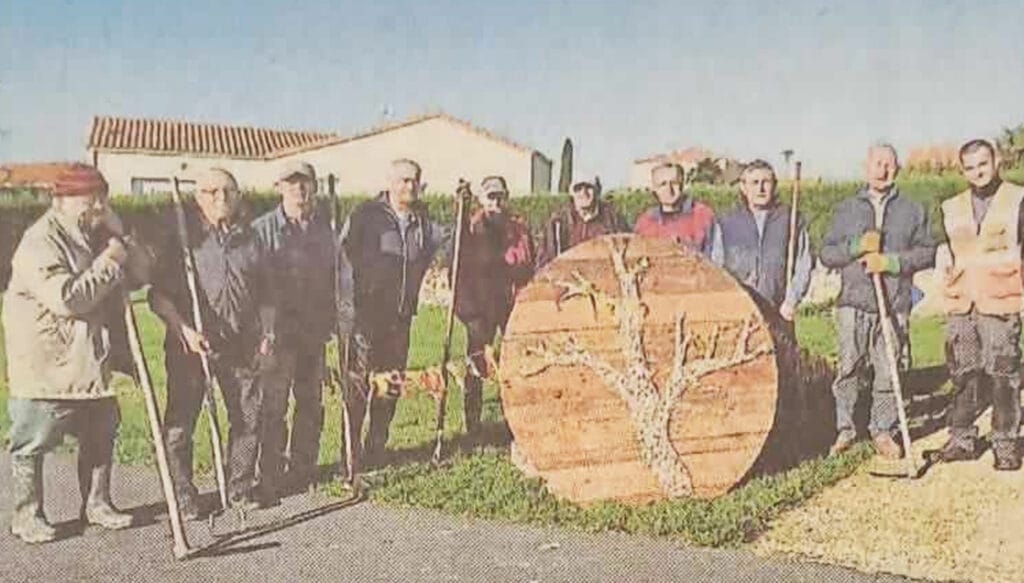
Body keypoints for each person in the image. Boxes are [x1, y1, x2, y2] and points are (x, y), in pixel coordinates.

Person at [4, 164, 150, 543]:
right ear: (61, 200)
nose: (98, 207)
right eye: (90, 199)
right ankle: (27, 515)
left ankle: (98, 503)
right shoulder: (40, 241)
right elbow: (69, 299)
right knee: (33, 439)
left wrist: (123, 239)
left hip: (89, 359)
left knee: (102, 431)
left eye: (102, 198)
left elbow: (141, 276)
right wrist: (112, 259)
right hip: (47, 363)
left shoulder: (97, 233)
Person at [148, 167, 276, 516]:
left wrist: (267, 333)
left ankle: (239, 488)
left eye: (228, 191)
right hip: (191, 345)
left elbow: (267, 293)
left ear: (238, 196)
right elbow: (158, 297)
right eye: (211, 192)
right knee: (180, 424)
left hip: (242, 345)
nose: (221, 198)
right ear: (196, 197)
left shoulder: (251, 239)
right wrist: (184, 331)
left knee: (249, 417)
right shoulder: (182, 240)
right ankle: (184, 493)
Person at [820, 144, 935, 459]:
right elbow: (827, 253)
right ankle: (845, 429)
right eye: (877, 163)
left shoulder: (913, 210)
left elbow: (928, 253)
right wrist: (856, 246)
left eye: (889, 164)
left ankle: (882, 429)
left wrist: (891, 263)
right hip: (853, 303)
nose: (883, 169)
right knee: (848, 368)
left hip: (894, 303)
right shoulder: (846, 209)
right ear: (865, 166)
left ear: (897, 169)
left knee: (888, 370)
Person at [252, 161, 354, 502]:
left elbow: (335, 283)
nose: (299, 190)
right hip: (277, 336)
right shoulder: (262, 231)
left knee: (311, 403)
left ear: (314, 188)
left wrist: (334, 324)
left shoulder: (325, 232)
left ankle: (303, 469)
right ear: (279, 187)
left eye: (305, 183)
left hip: (313, 335)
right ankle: (269, 475)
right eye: (292, 183)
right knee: (273, 407)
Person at [342, 159, 443, 468]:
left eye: (414, 180)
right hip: (365, 317)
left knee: (391, 386)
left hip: (400, 319)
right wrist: (349, 308)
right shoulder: (365, 215)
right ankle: (351, 455)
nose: (408, 186)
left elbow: (445, 243)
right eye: (402, 180)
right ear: (389, 182)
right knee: (358, 386)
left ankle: (376, 449)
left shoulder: (422, 221)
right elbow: (342, 259)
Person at [935, 139, 1024, 470]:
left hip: (1000, 303)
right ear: (962, 170)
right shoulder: (950, 206)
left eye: (982, 164)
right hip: (961, 305)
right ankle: (961, 439)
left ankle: (1005, 443)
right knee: (963, 375)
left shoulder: (1017, 199)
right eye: (970, 167)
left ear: (996, 161)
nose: (977, 172)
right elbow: (944, 247)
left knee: (1003, 375)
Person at [453, 176, 534, 439]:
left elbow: (529, 262)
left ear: (506, 196)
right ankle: (473, 422)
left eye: (499, 196)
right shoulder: (472, 228)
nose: (495, 202)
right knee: (477, 363)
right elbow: (458, 268)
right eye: (490, 197)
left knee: (515, 361)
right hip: (482, 306)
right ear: (481, 199)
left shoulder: (519, 229)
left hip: (512, 303)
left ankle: (517, 415)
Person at [714, 160, 812, 322]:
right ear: (743, 187)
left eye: (766, 182)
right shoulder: (726, 222)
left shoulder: (790, 219)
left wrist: (791, 301)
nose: (760, 188)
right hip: (738, 311)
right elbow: (716, 266)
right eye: (755, 183)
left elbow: (804, 263)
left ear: (774, 185)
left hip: (778, 311)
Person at [634, 162, 722, 262]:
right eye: (663, 184)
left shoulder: (703, 216)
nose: (669, 189)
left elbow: (717, 263)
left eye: (674, 182)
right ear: (654, 189)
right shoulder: (644, 223)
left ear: (682, 184)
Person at [538, 176, 627, 266]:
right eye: (578, 189)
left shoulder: (613, 220)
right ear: (572, 193)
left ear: (597, 191)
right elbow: (545, 262)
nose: (583, 193)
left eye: (588, 187)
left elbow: (628, 254)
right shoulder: (558, 223)